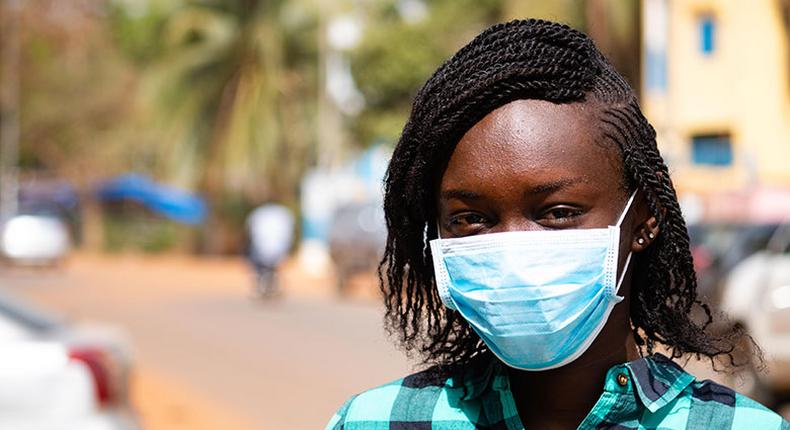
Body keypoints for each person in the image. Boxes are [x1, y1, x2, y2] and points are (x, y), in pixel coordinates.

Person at [325, 19, 789, 430]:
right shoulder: (378, 421)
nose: (512, 249)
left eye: (558, 212)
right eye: (470, 218)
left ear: (646, 217)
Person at [244, 202, 294, 298]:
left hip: (261, 250)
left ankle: (259, 281)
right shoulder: (285, 213)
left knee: (251, 257)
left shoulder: (257, 213)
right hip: (280, 250)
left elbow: (249, 231)